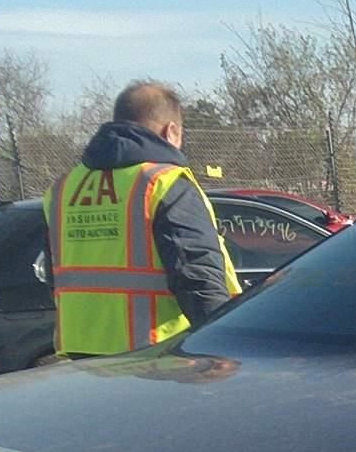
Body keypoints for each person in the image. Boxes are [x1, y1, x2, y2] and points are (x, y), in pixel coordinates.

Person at [44, 80, 239, 356]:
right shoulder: (164, 183)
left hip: (79, 356)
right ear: (170, 131)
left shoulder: (63, 188)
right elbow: (196, 275)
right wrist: (223, 344)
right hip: (154, 356)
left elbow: (55, 274)